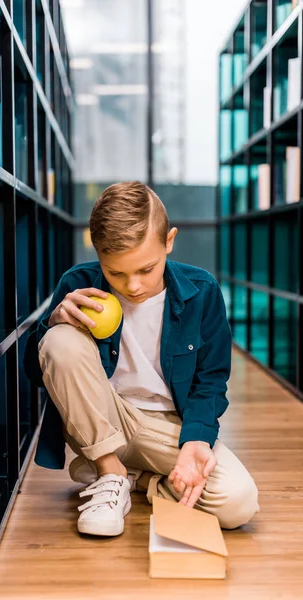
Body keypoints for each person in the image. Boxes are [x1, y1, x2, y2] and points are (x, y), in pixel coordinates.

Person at [24, 181, 260, 537]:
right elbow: (37, 371)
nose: (132, 286)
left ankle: (133, 479)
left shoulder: (203, 291)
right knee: (60, 339)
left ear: (169, 241)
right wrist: (52, 322)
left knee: (237, 502)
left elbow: (211, 380)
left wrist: (196, 440)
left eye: (145, 269)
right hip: (101, 418)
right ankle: (111, 470)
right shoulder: (78, 284)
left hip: (167, 427)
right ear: (98, 252)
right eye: (115, 272)